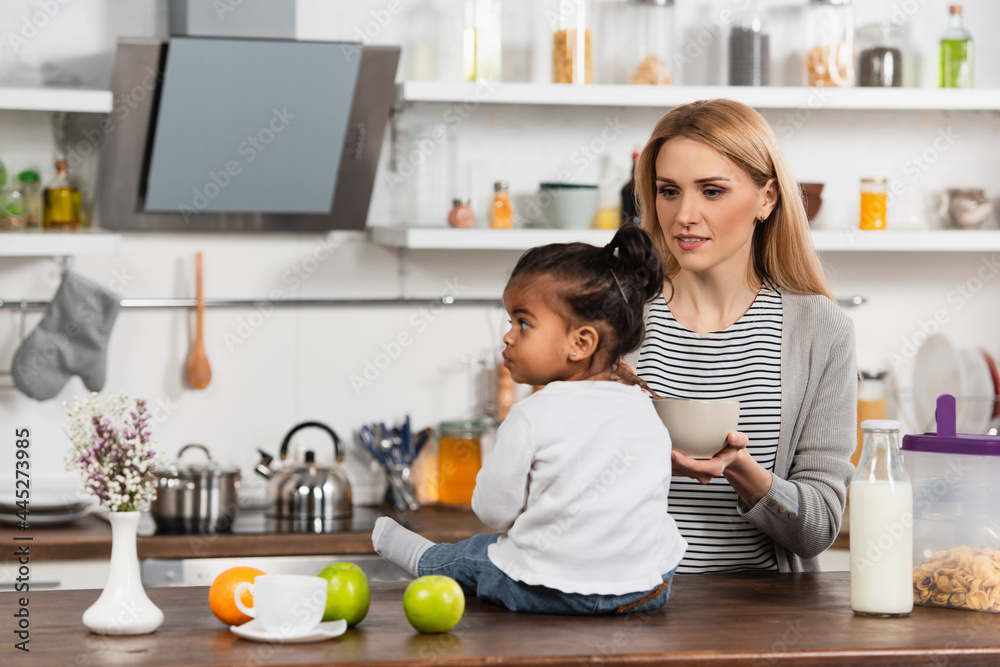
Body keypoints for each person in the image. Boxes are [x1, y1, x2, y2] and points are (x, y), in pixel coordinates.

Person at [373, 224, 687, 615]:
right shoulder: (645, 408)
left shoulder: (531, 415)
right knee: (664, 538)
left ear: (581, 343)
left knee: (479, 554)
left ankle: (427, 560)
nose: (508, 337)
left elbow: (492, 512)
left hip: (549, 592)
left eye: (523, 323)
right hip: (643, 592)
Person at [620, 98, 857, 574]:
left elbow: (817, 530)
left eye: (711, 191)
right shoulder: (615, 319)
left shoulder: (819, 330)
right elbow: (554, 488)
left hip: (759, 624)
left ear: (766, 198)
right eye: (669, 191)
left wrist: (742, 472)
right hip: (627, 611)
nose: (684, 215)